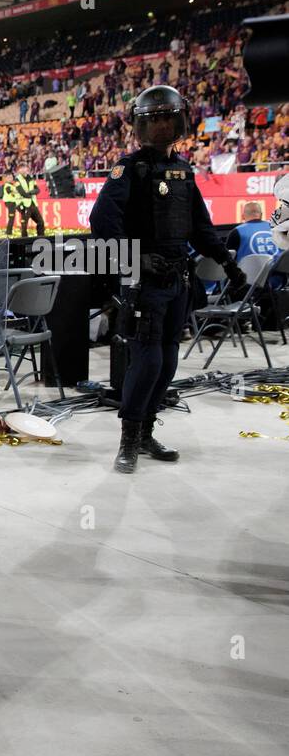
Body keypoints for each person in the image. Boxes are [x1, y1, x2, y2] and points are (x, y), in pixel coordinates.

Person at [89, 85, 244, 474]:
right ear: (141, 126)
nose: (160, 127)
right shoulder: (129, 168)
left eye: (165, 119)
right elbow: (101, 222)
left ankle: (145, 432)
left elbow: (201, 228)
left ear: (179, 121)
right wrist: (136, 258)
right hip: (144, 283)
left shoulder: (185, 170)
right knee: (147, 359)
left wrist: (229, 263)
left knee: (169, 361)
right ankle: (128, 438)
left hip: (177, 281)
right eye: (152, 120)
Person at [13, 163, 45, 237]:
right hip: (23, 205)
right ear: (19, 170)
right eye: (24, 168)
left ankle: (41, 238)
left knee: (40, 222)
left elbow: (37, 190)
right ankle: (24, 240)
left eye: (26, 168)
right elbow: (22, 193)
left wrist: (30, 192)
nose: (26, 169)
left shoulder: (31, 178)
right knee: (24, 225)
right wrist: (31, 194)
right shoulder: (17, 180)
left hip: (32, 203)